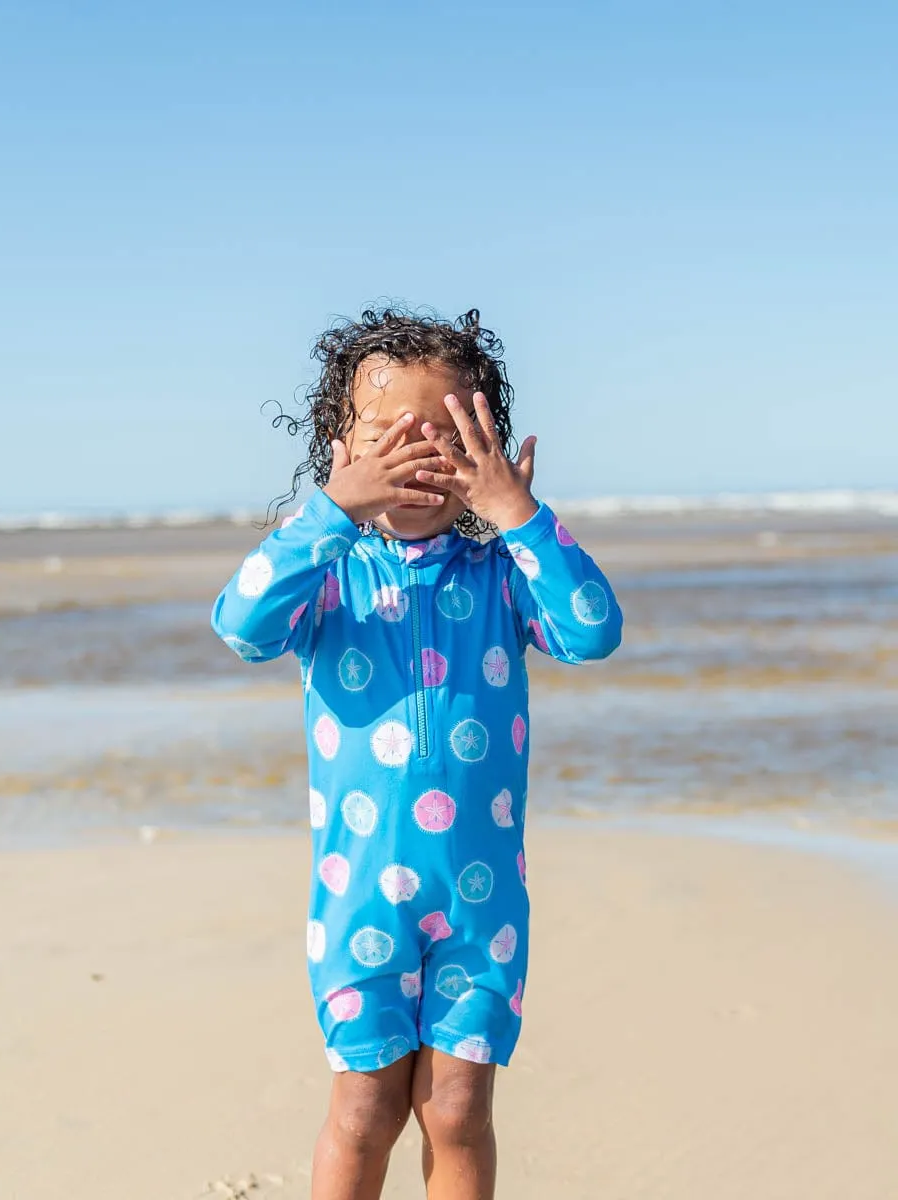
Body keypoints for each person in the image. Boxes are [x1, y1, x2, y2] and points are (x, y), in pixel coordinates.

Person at [211, 307, 623, 1200]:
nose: (415, 457)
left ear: (485, 448)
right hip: (360, 897)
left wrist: (518, 513)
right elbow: (241, 625)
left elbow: (593, 633)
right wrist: (329, 513)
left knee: (457, 1111)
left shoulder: (502, 578)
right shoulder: (326, 575)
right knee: (364, 1114)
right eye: (386, 438)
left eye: (445, 437)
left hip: (483, 906)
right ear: (340, 448)